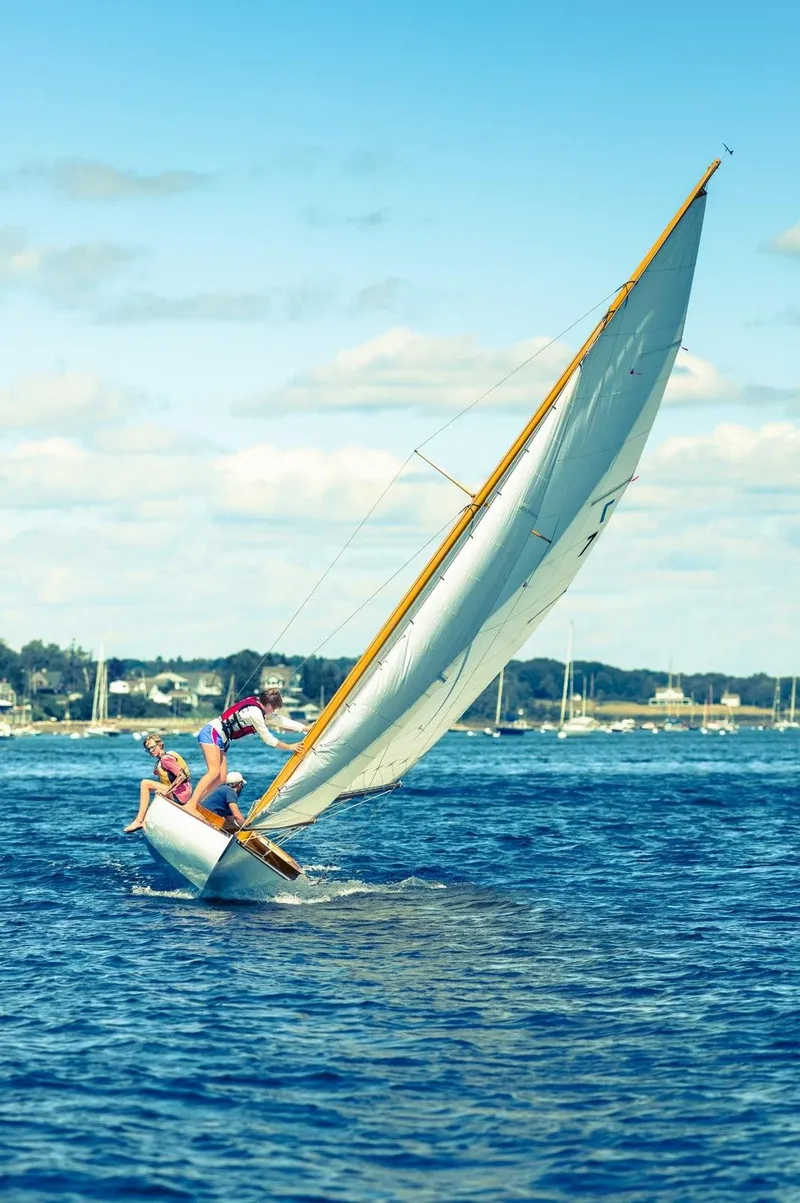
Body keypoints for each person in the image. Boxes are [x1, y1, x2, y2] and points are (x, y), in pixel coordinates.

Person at [185, 688, 308, 813]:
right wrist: (289, 747)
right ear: (269, 705)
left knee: (222, 777)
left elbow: (279, 720)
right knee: (214, 772)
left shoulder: (258, 705)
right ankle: (191, 805)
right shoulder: (255, 714)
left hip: (222, 738)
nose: (274, 711)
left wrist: (304, 728)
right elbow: (268, 739)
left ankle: (195, 803)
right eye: (274, 708)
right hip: (212, 732)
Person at [124, 734, 192, 833]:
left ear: (160, 745)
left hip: (180, 794)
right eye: (148, 749)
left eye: (152, 747)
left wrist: (167, 791)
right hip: (184, 793)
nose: (151, 751)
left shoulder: (165, 759)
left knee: (145, 783)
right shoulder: (165, 757)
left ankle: (139, 820)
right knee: (157, 792)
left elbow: (182, 776)